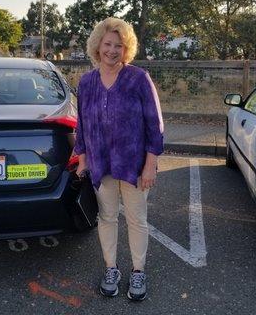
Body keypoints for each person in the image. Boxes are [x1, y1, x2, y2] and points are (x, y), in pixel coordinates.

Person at [74, 17, 164, 301]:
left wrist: (150, 163)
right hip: (101, 163)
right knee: (107, 216)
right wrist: (82, 158)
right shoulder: (86, 82)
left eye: (119, 45)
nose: (112, 50)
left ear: (127, 49)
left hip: (134, 165)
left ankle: (138, 271)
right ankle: (111, 268)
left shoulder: (138, 78)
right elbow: (82, 124)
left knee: (137, 219)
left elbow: (155, 123)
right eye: (108, 44)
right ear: (97, 46)